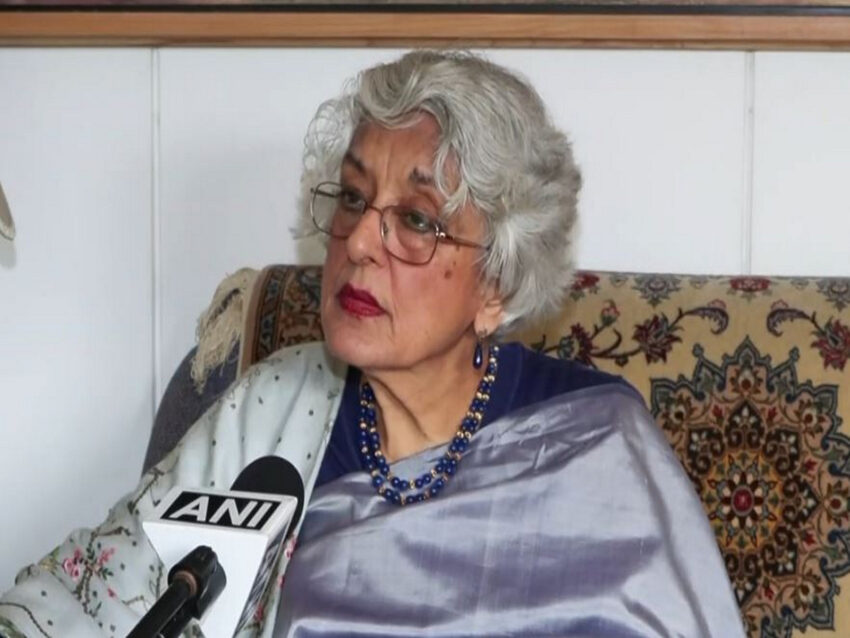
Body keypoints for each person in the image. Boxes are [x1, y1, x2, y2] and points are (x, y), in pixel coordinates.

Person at [0, 50, 745, 637]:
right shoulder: (274, 413)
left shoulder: (596, 446)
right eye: (354, 199)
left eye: (417, 220)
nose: (359, 241)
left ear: (496, 286)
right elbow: (81, 602)